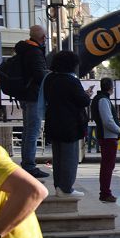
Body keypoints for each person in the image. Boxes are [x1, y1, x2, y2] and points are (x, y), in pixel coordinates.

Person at [42, 51, 89, 197]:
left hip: (53, 122)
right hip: (69, 125)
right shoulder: (71, 81)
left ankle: (58, 187)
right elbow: (83, 101)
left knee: (58, 158)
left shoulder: (49, 79)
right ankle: (66, 188)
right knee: (69, 158)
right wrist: (87, 94)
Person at [14, 26, 49, 179]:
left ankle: (27, 163)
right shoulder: (34, 52)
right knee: (33, 132)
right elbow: (39, 74)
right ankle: (29, 165)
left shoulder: (24, 49)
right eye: (45, 37)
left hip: (23, 95)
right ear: (41, 38)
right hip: (33, 96)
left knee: (28, 130)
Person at [90, 77, 120, 203]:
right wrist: (119, 130)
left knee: (107, 165)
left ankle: (105, 191)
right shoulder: (103, 100)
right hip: (108, 136)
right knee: (108, 166)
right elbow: (107, 120)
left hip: (106, 136)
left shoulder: (100, 98)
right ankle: (105, 193)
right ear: (110, 87)